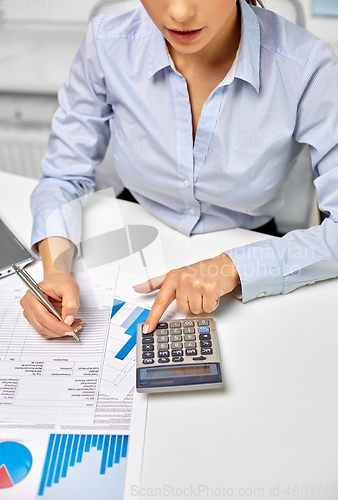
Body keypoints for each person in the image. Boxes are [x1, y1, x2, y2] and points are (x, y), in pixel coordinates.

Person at [20, 0, 338, 338]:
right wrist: (54, 272)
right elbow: (63, 175)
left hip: (247, 247)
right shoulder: (107, 43)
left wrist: (231, 268)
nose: (180, 13)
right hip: (136, 239)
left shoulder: (306, 66)